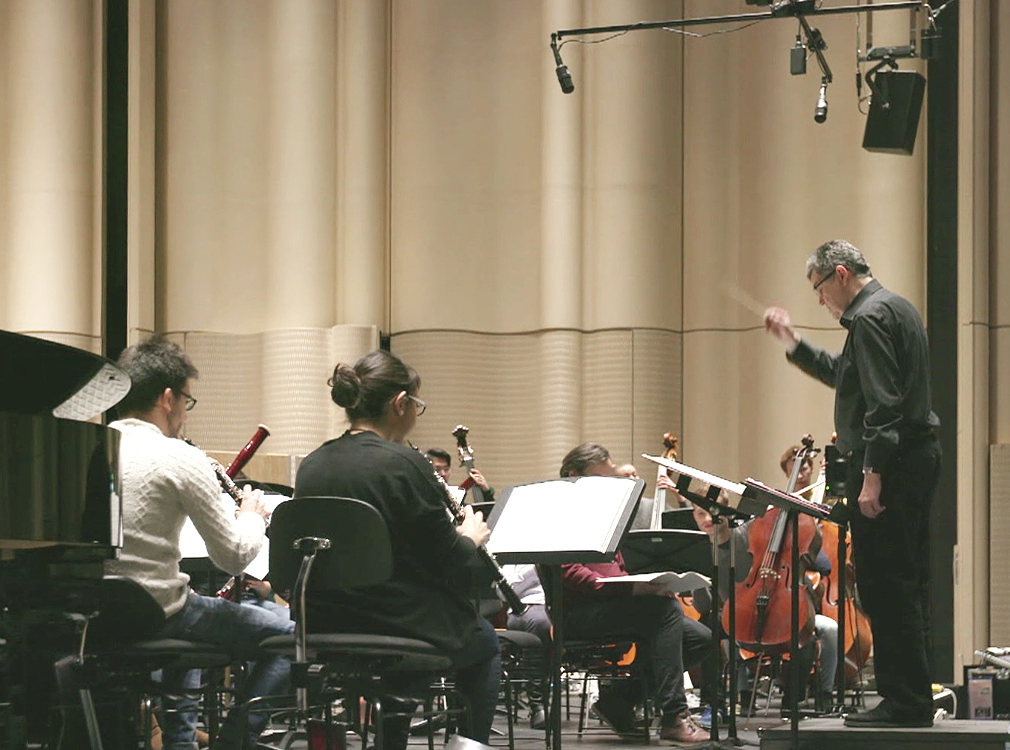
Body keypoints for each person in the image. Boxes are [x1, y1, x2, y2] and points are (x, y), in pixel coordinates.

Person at [764, 239, 941, 728]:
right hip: (917, 459)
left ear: (839, 274)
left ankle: (904, 703)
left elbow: (882, 407)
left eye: (820, 289)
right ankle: (913, 699)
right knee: (907, 583)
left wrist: (871, 477)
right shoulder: (896, 308)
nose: (820, 300)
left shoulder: (867, 318)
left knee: (886, 586)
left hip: (894, 465)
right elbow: (848, 376)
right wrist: (792, 343)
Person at [293, 350, 501, 750]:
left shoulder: (313, 463)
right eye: (416, 406)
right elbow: (445, 558)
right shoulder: (405, 464)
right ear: (400, 403)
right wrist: (470, 537)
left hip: (323, 620)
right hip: (394, 619)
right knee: (484, 640)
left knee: (417, 619)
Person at [107, 336, 294, 750]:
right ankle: (234, 742)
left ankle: (181, 743)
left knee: (190, 602)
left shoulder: (92, 445)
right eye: (186, 403)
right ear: (168, 398)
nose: (183, 416)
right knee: (290, 636)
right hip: (159, 611)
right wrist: (250, 516)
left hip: (102, 611)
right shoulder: (177, 456)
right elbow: (233, 556)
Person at [557, 442, 710, 745]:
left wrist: (649, 586)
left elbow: (617, 567)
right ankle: (674, 718)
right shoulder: (561, 512)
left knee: (699, 637)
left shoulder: (605, 514)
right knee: (665, 615)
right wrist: (630, 588)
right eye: (600, 479)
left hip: (614, 604)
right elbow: (569, 571)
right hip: (578, 612)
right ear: (573, 475)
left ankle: (619, 701)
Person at [426, 446, 497, 503]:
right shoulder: (422, 497)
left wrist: (486, 492)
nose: (443, 474)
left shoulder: (454, 496)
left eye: (446, 469)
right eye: (437, 469)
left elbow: (489, 515)